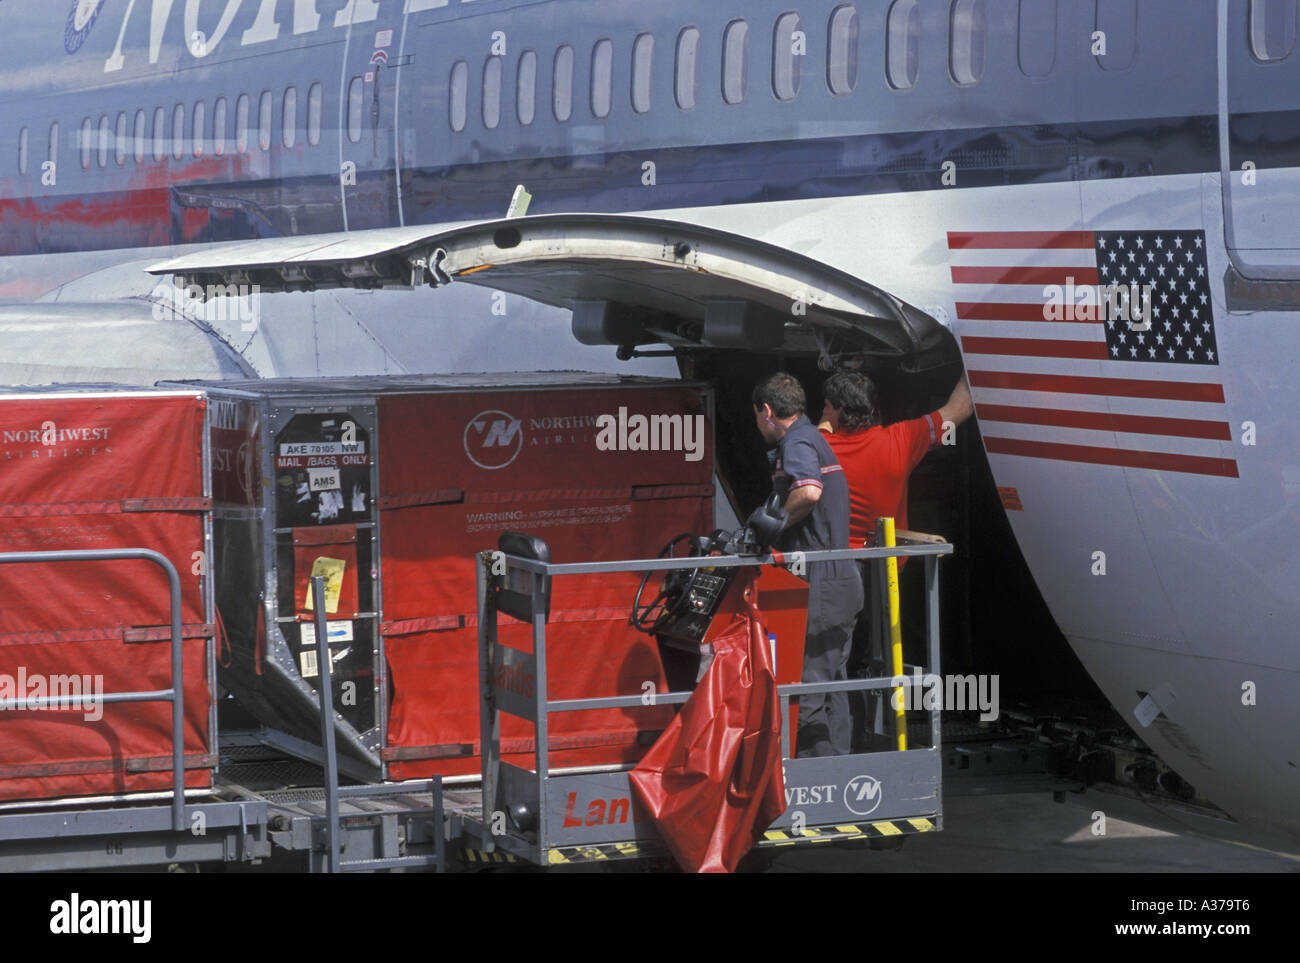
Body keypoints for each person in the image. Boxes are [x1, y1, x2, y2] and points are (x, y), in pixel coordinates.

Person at [816, 369, 973, 750]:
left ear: (836, 409)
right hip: (885, 574)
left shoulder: (819, 449)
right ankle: (876, 738)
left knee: (830, 667)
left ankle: (839, 748)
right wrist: (973, 361)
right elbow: (958, 409)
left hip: (834, 576)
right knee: (878, 661)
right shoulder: (901, 439)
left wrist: (823, 426)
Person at [752, 372, 864, 757]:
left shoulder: (797, 441)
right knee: (832, 685)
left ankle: (814, 789)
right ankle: (842, 777)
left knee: (807, 690)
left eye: (757, 416)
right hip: (840, 579)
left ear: (766, 411)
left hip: (823, 582)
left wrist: (772, 525)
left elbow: (809, 490)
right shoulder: (813, 437)